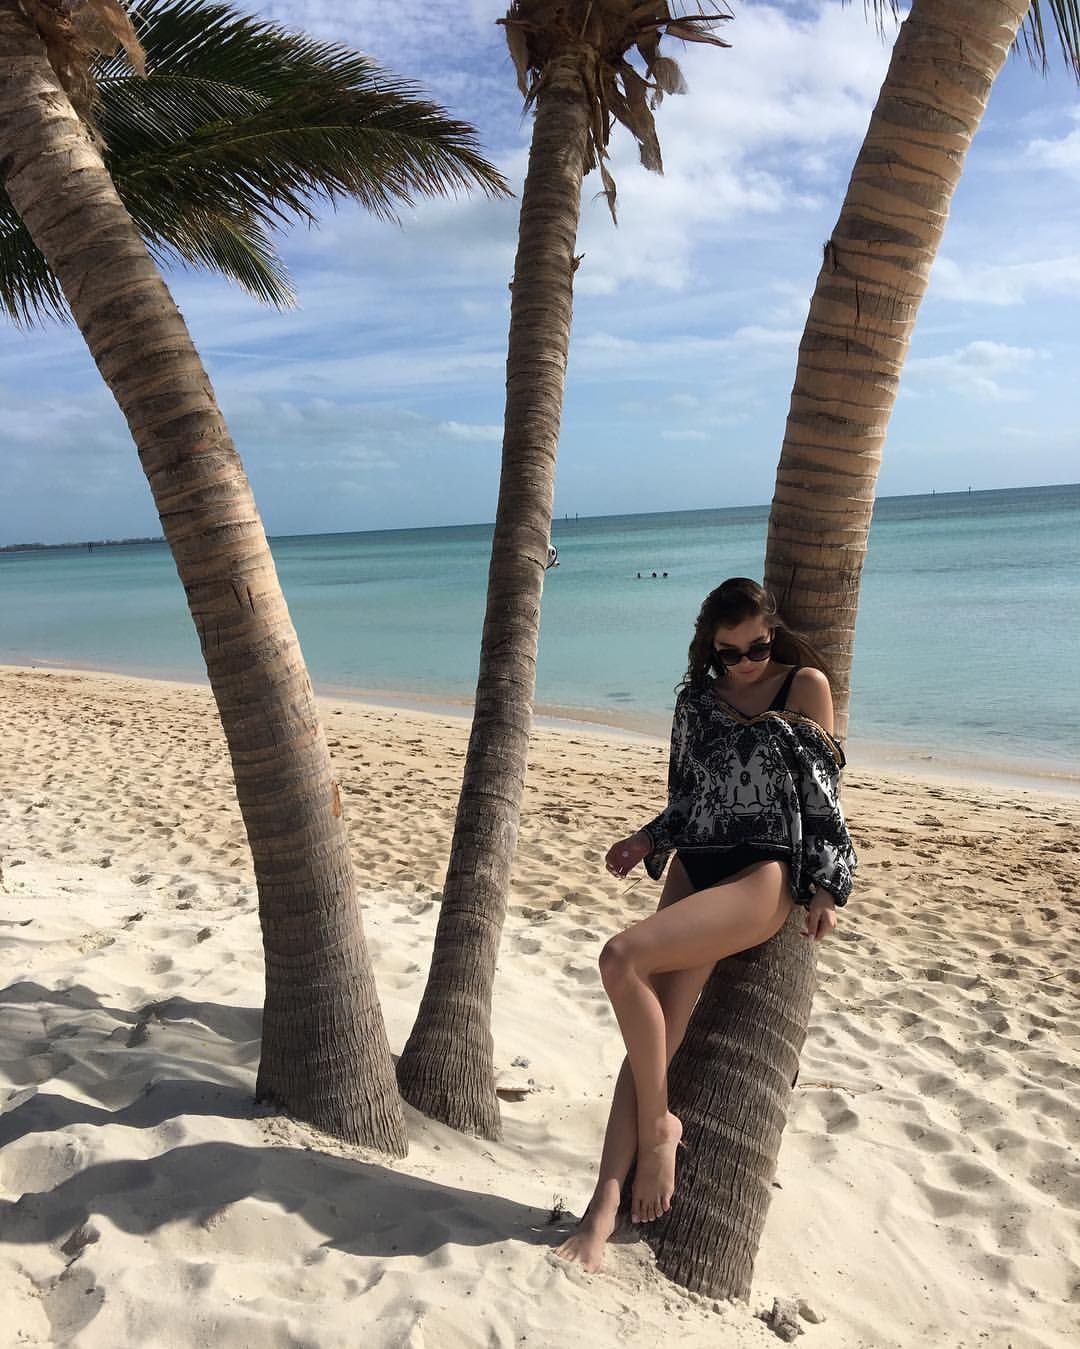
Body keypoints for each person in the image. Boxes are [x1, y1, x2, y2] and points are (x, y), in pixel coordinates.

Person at [555, 577, 857, 1273]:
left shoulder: (805, 686)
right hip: (697, 861)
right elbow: (688, 798)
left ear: (773, 634)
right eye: (730, 652)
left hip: (762, 872)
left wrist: (827, 888)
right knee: (655, 1036)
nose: (746, 662)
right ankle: (602, 1204)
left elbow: (824, 800)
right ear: (709, 648)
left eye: (758, 647)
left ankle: (660, 1128)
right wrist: (647, 839)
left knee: (620, 958)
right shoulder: (696, 700)